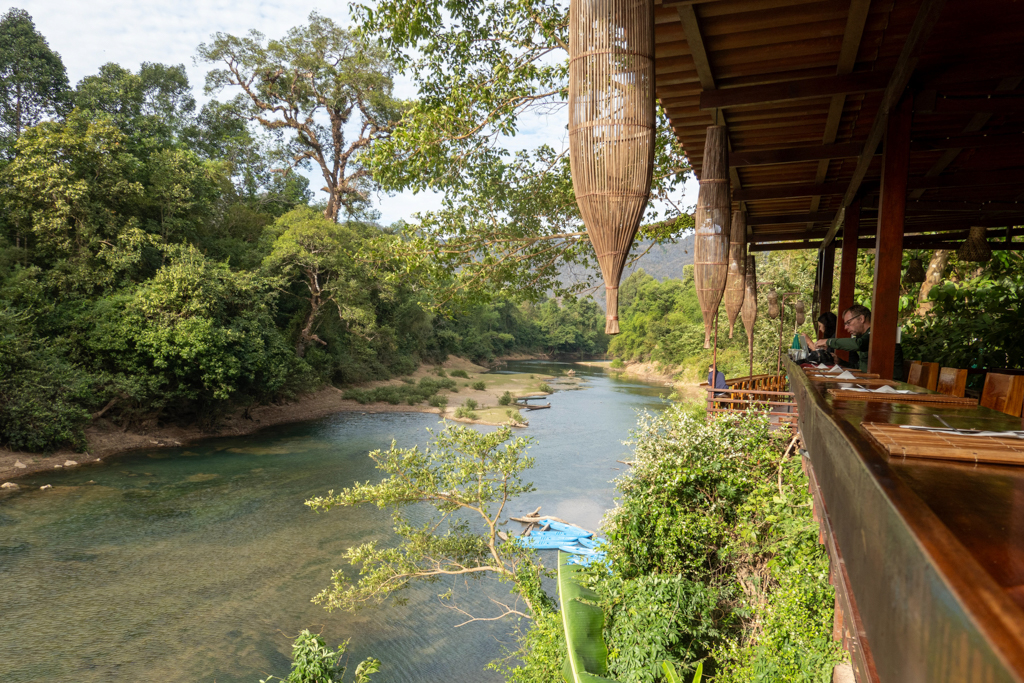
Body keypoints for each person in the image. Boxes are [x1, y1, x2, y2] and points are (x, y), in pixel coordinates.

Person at [814, 305, 903, 378]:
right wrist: (841, 362)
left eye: (848, 323)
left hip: (890, 386)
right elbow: (860, 368)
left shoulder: (878, 333)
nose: (845, 328)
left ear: (861, 319)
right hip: (873, 382)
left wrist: (829, 342)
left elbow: (859, 344)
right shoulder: (865, 336)